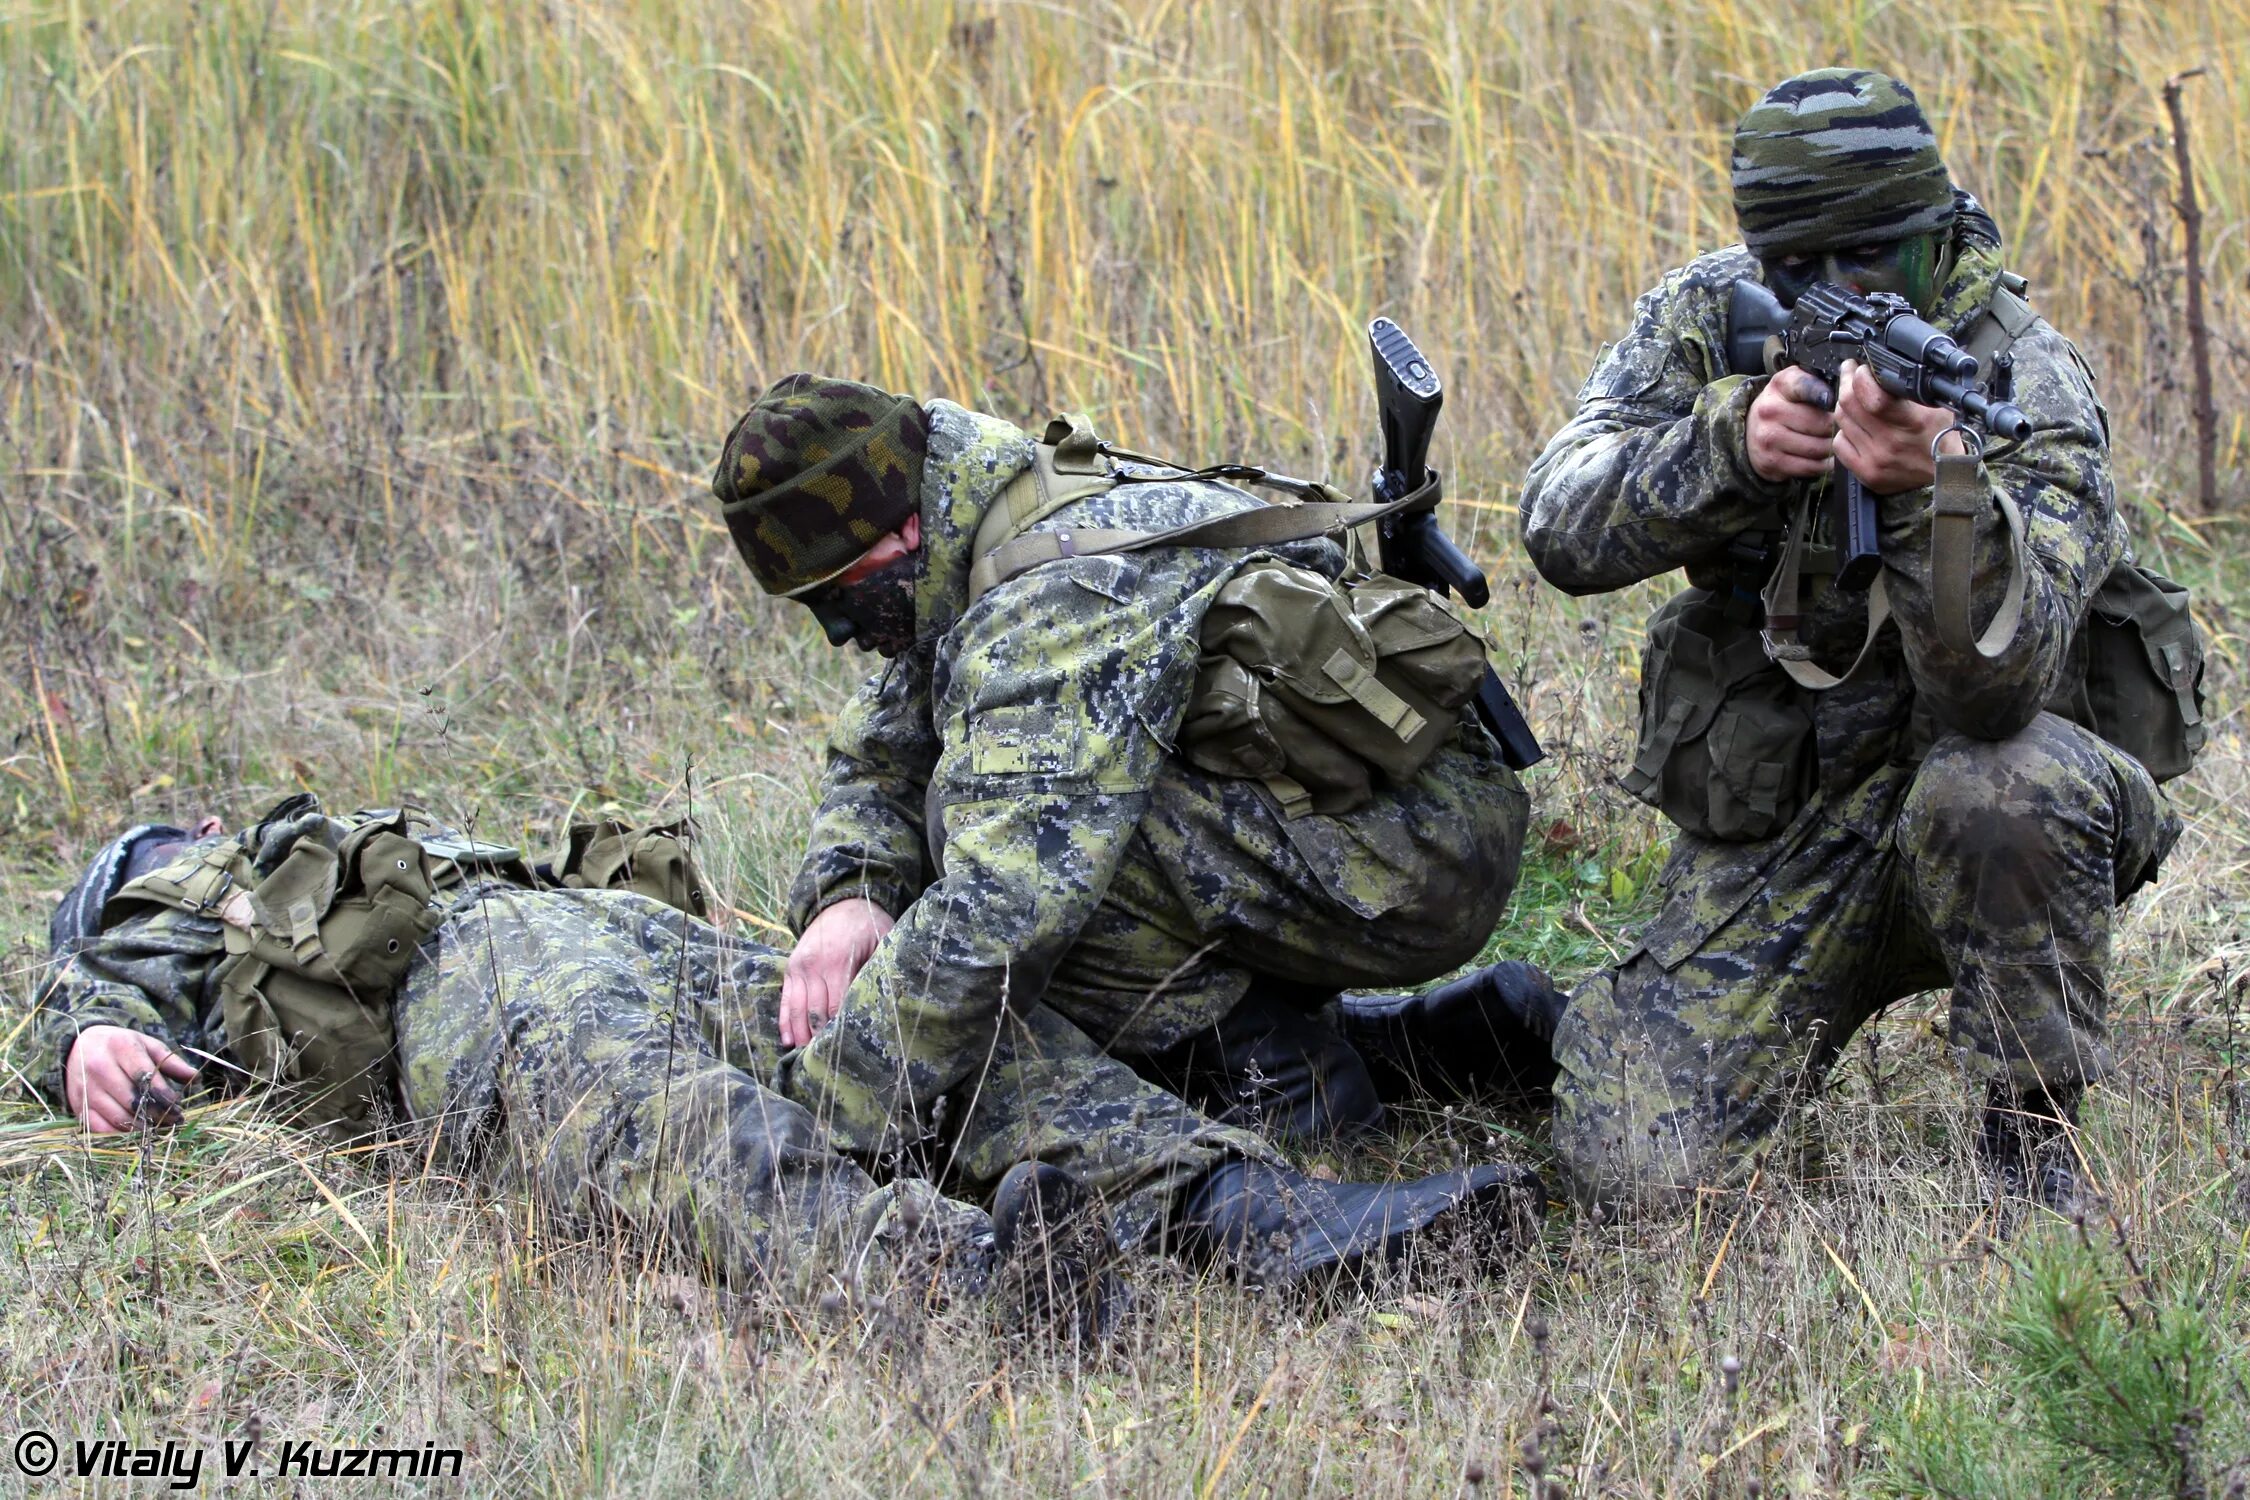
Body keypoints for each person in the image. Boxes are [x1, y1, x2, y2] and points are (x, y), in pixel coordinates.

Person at [28, 798, 1537, 1335]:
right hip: (471, 1001)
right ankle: (965, 1279)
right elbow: (55, 1022)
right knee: (678, 1127)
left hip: (594, 928)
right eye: (158, 843)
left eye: (182, 831)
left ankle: (1242, 1211)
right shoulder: (140, 931)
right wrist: (87, 1037)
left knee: (912, 1039)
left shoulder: (329, 834)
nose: (184, 836)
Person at [1517, 69, 2188, 1217]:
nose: (1835, 292)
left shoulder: (2023, 378)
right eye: (1797, 271)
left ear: (1934, 236)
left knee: (2002, 784)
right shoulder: (1705, 314)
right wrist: (1727, 446)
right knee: (1630, 1174)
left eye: (1871, 261)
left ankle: (2035, 1129)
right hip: (1786, 830)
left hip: (1995, 810)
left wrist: (1941, 494)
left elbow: (1998, 691)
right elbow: (1556, 522)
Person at [709, 372, 1559, 1158]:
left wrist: (818, 1115)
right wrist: (851, 894)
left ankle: (1292, 1088)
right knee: (993, 799)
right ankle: (1415, 1042)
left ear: (903, 531)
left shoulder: (1050, 604)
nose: (840, 633)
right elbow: (884, 746)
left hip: (1414, 854)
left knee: (1027, 848)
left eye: (839, 596)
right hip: (1382, 812)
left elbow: (1002, 910)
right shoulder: (990, 514)